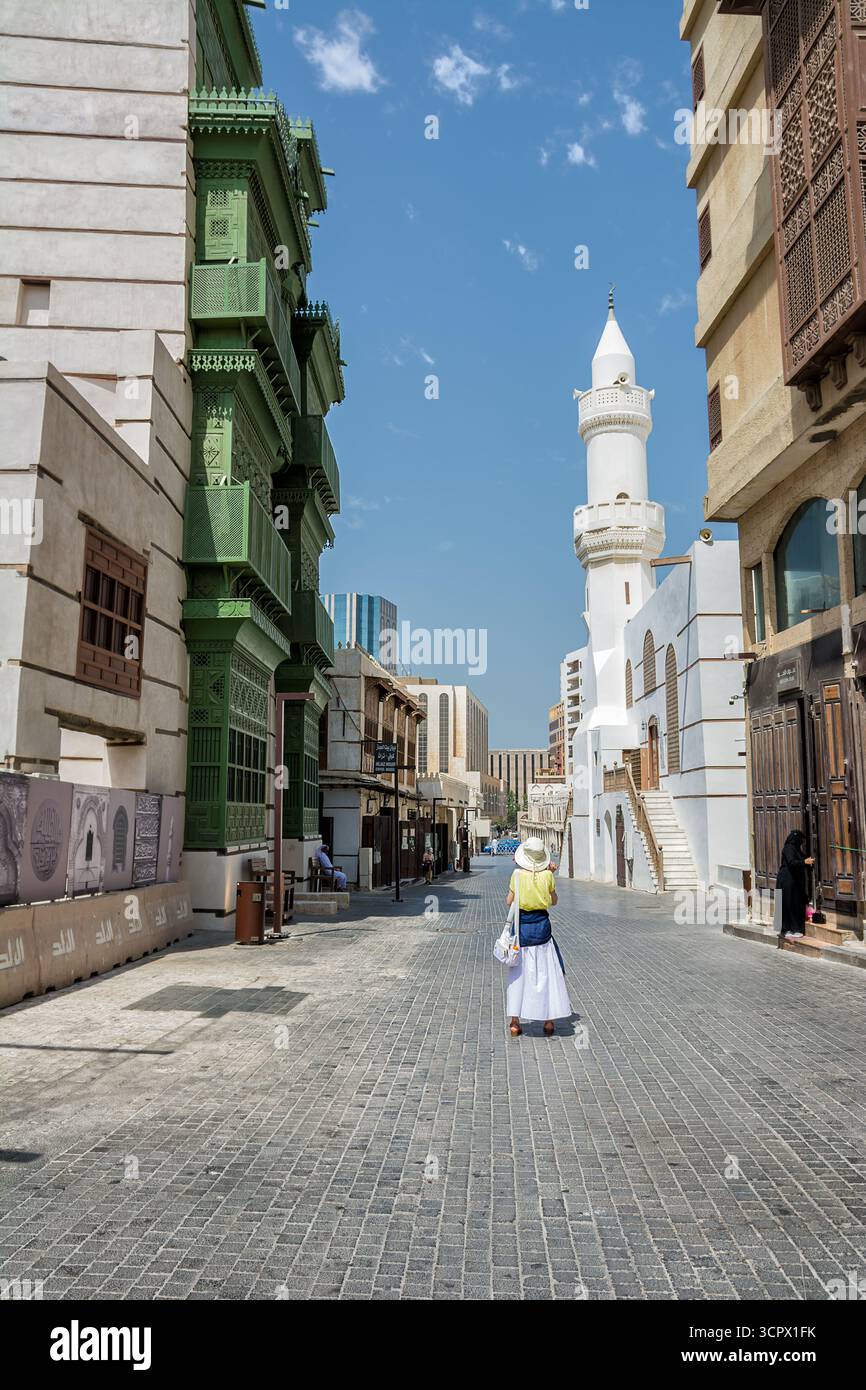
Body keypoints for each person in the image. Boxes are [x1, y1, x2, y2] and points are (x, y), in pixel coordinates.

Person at [505, 836, 572, 1037]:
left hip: (522, 929)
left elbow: (509, 901)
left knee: (519, 974)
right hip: (542, 928)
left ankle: (515, 1022)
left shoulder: (516, 875)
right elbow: (554, 901)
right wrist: (546, 875)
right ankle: (549, 1021)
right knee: (546, 972)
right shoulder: (547, 876)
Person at [775, 829, 814, 945]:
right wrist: (804, 862)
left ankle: (796, 929)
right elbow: (792, 863)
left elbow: (802, 859)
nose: (801, 843)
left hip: (794, 882)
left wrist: (807, 861)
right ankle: (786, 929)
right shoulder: (788, 849)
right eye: (800, 840)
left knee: (796, 904)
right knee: (787, 904)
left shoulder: (796, 849)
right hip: (787, 881)